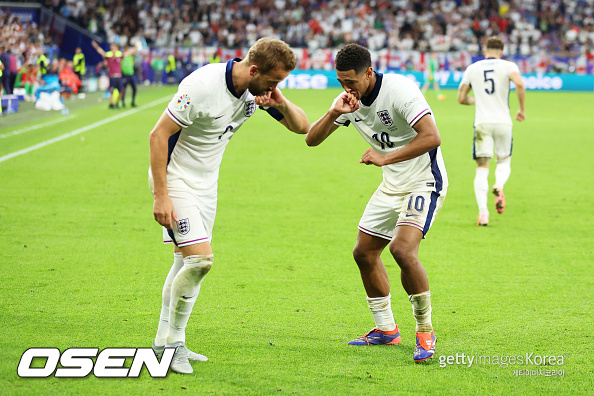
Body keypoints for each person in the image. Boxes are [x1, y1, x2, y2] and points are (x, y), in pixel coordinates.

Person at [148, 37, 310, 374]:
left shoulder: (257, 92)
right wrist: (161, 195)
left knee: (185, 262)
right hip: (175, 178)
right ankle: (173, 344)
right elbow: (158, 135)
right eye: (274, 80)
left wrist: (278, 98)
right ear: (253, 70)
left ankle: (164, 341)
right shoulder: (201, 86)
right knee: (200, 261)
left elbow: (302, 127)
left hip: (207, 186)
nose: (275, 86)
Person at [305, 43, 448, 363]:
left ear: (369, 73)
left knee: (401, 250)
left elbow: (431, 137)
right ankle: (386, 329)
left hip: (424, 181)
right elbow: (311, 139)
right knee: (364, 253)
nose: (346, 88)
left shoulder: (399, 90)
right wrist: (334, 112)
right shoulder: (346, 100)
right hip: (391, 186)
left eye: (351, 81)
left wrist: (386, 158)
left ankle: (425, 330)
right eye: (340, 81)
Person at [457, 36, 526, 226]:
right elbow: (519, 84)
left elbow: (461, 98)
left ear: (485, 50)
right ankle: (499, 185)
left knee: (481, 168)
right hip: (504, 122)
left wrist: (478, 100)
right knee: (504, 161)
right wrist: (522, 109)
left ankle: (483, 214)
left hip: (482, 123)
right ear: (501, 52)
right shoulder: (508, 66)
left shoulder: (473, 68)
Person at [92, 41, 136, 109]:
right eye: (112, 48)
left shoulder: (119, 56)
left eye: (114, 48)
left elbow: (127, 53)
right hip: (112, 77)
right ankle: (112, 104)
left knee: (121, 91)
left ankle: (117, 103)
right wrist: (96, 46)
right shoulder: (109, 57)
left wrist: (135, 48)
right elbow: (102, 52)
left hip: (118, 76)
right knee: (112, 91)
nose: (113, 50)